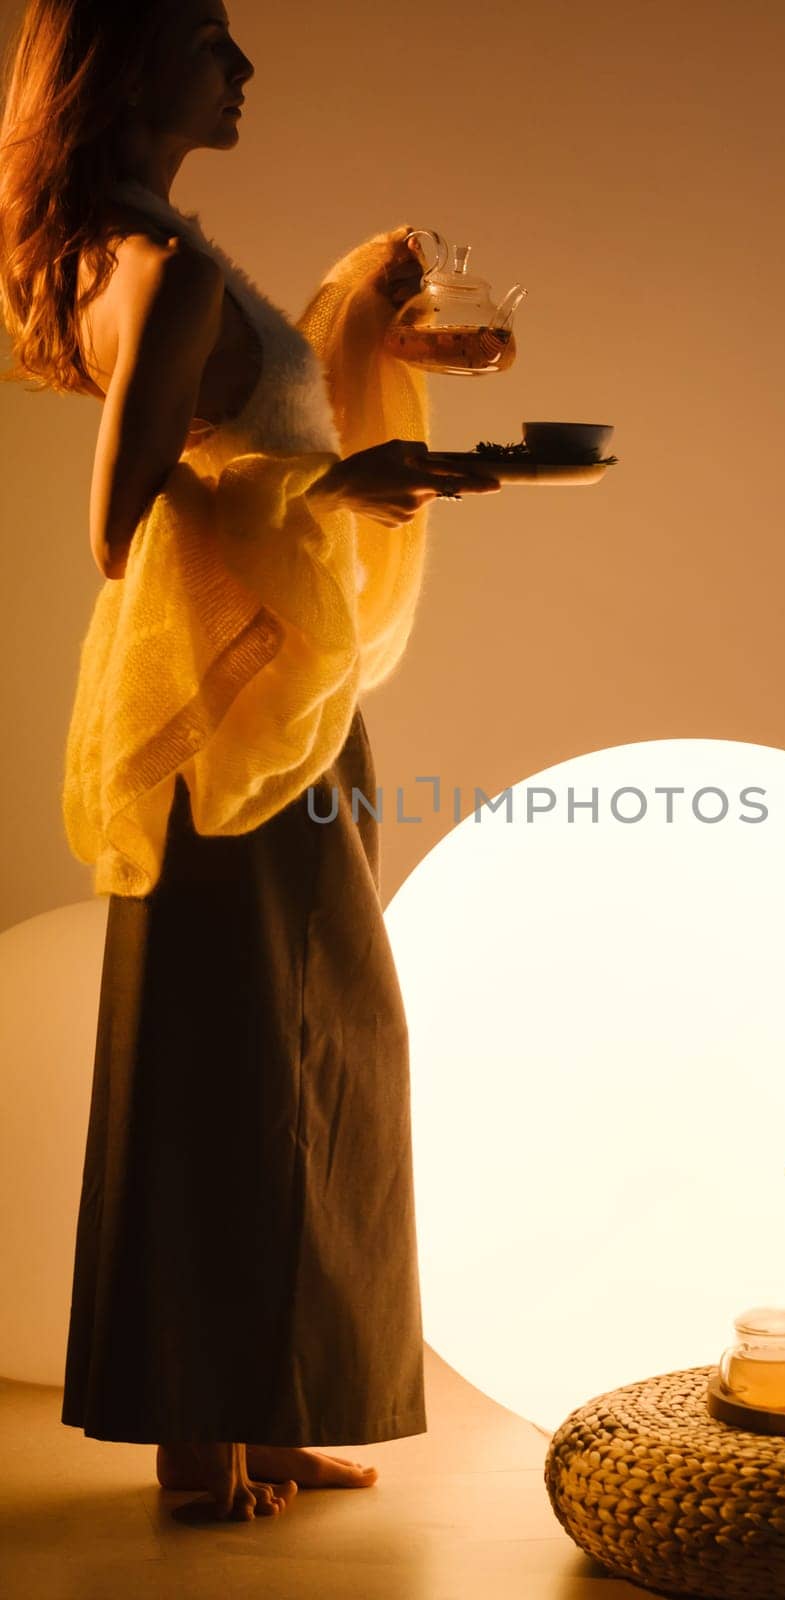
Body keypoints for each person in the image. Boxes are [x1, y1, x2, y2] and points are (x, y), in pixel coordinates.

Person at [0, 0, 501, 1523]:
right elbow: (122, 528)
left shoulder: (151, 249)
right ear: (135, 62)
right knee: (238, 1065)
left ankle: (257, 1405)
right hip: (229, 739)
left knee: (305, 1051)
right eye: (212, 38)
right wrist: (342, 479)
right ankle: (201, 1439)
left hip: (272, 711)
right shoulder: (156, 268)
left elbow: (239, 441)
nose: (243, 68)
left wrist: (366, 329)